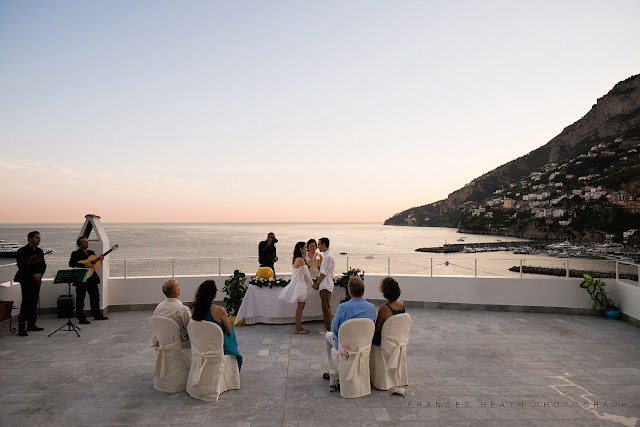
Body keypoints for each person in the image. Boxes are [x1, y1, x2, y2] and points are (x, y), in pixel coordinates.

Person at [322, 276, 376, 380]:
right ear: (363, 291)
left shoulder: (343, 307)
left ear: (350, 291)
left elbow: (333, 328)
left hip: (346, 346)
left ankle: (333, 371)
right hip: (364, 345)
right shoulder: (372, 307)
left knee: (328, 336)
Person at [192, 280, 242, 371]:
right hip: (217, 345)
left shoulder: (195, 309)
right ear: (213, 294)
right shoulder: (219, 310)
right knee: (231, 331)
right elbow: (228, 330)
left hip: (201, 344)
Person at [69, 237, 108, 323]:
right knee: (80, 298)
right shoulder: (75, 253)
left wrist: (100, 261)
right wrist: (84, 266)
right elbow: (71, 263)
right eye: (84, 242)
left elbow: (96, 265)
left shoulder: (91, 253)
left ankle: (97, 315)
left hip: (92, 278)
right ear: (79, 245)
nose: (87, 243)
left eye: (87, 242)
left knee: (95, 297)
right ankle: (81, 318)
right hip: (81, 278)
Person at [14, 231, 47, 336]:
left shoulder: (39, 251)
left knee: (34, 301)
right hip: (26, 279)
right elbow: (21, 266)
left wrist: (40, 274)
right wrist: (33, 275)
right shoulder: (22, 251)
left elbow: (43, 265)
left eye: (39, 238)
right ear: (30, 239)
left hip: (37, 279)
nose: (39, 239)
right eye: (37, 238)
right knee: (26, 302)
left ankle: (31, 324)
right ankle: (21, 327)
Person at [278, 242, 313, 334]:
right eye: (305, 247)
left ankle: (299, 327)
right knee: (300, 308)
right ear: (301, 249)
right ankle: (298, 328)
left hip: (301, 285)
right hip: (301, 286)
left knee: (300, 308)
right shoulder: (300, 260)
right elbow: (306, 276)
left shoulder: (300, 259)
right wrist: (314, 285)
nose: (307, 249)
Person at [153, 279, 191, 347]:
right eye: (178, 287)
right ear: (176, 291)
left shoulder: (158, 308)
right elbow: (190, 329)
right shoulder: (183, 310)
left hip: (163, 344)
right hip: (180, 346)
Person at [372, 276, 405, 346]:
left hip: (385, 342)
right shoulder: (402, 304)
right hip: (398, 340)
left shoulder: (384, 308)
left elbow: (377, 329)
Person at [311, 237, 335, 335]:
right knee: (326, 307)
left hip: (325, 284)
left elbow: (324, 273)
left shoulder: (328, 256)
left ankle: (329, 329)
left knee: (326, 308)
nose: (317, 246)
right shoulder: (328, 255)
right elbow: (325, 270)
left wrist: (317, 283)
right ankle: (329, 328)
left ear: (324, 245)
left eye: (319, 244)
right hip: (326, 284)